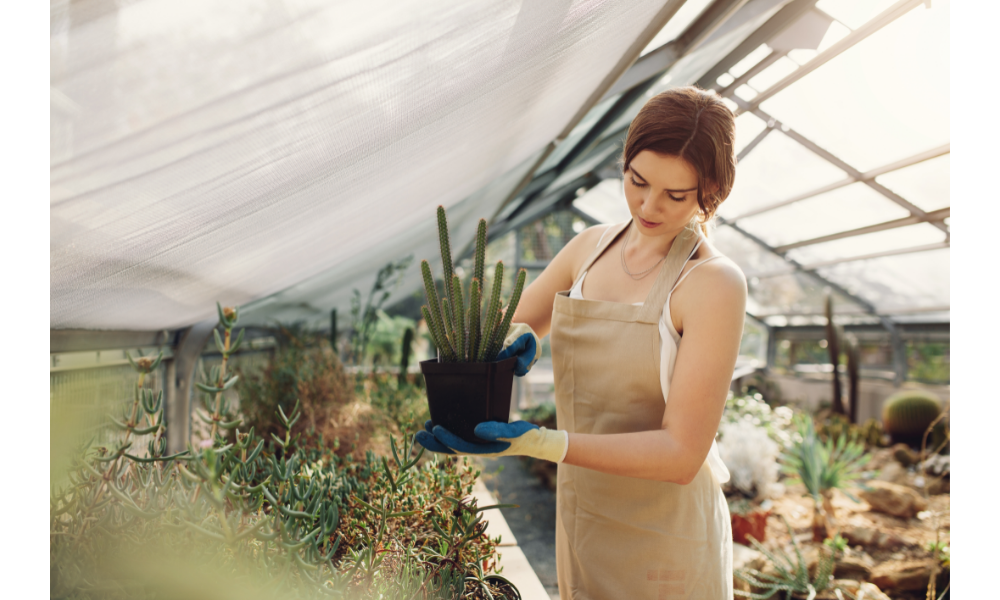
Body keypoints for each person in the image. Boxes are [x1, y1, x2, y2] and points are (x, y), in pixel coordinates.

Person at [417, 85, 745, 599]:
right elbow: (504, 331)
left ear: (711, 193)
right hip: (583, 516)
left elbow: (682, 455)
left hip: (667, 540)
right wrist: (512, 340)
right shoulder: (588, 251)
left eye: (675, 195)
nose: (649, 205)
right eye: (637, 181)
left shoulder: (712, 284)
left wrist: (543, 442)